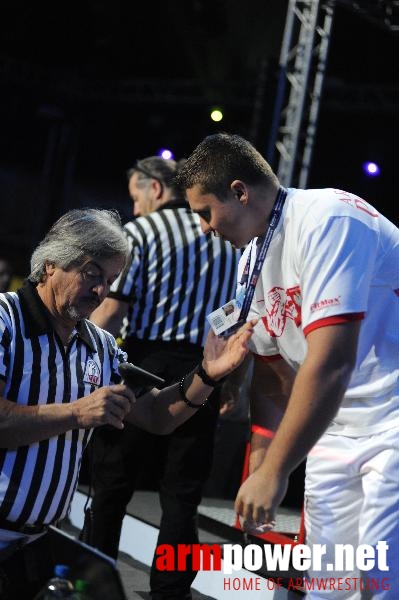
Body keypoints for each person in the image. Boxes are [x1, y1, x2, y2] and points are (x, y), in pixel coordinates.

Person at [176, 133, 399, 597]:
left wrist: (277, 472)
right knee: (327, 587)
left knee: (378, 581)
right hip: (332, 425)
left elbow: (331, 362)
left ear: (240, 191)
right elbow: (275, 376)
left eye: (205, 213)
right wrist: (261, 464)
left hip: (392, 420)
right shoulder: (251, 258)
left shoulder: (329, 219)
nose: (204, 228)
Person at [0, 207, 254, 600]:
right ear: (50, 264)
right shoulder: (5, 320)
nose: (101, 291)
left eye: (111, 280)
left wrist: (207, 374)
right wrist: (77, 411)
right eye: (91, 274)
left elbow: (154, 414)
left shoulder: (97, 344)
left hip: (40, 548)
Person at [89, 156, 241, 600]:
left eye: (137, 197)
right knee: (183, 493)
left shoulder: (140, 234)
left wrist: (89, 364)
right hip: (205, 369)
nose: (135, 209)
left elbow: (111, 313)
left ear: (155, 190)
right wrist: (231, 382)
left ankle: (97, 585)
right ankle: (171, 592)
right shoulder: (227, 238)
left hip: (141, 364)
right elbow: (234, 317)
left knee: (112, 485)